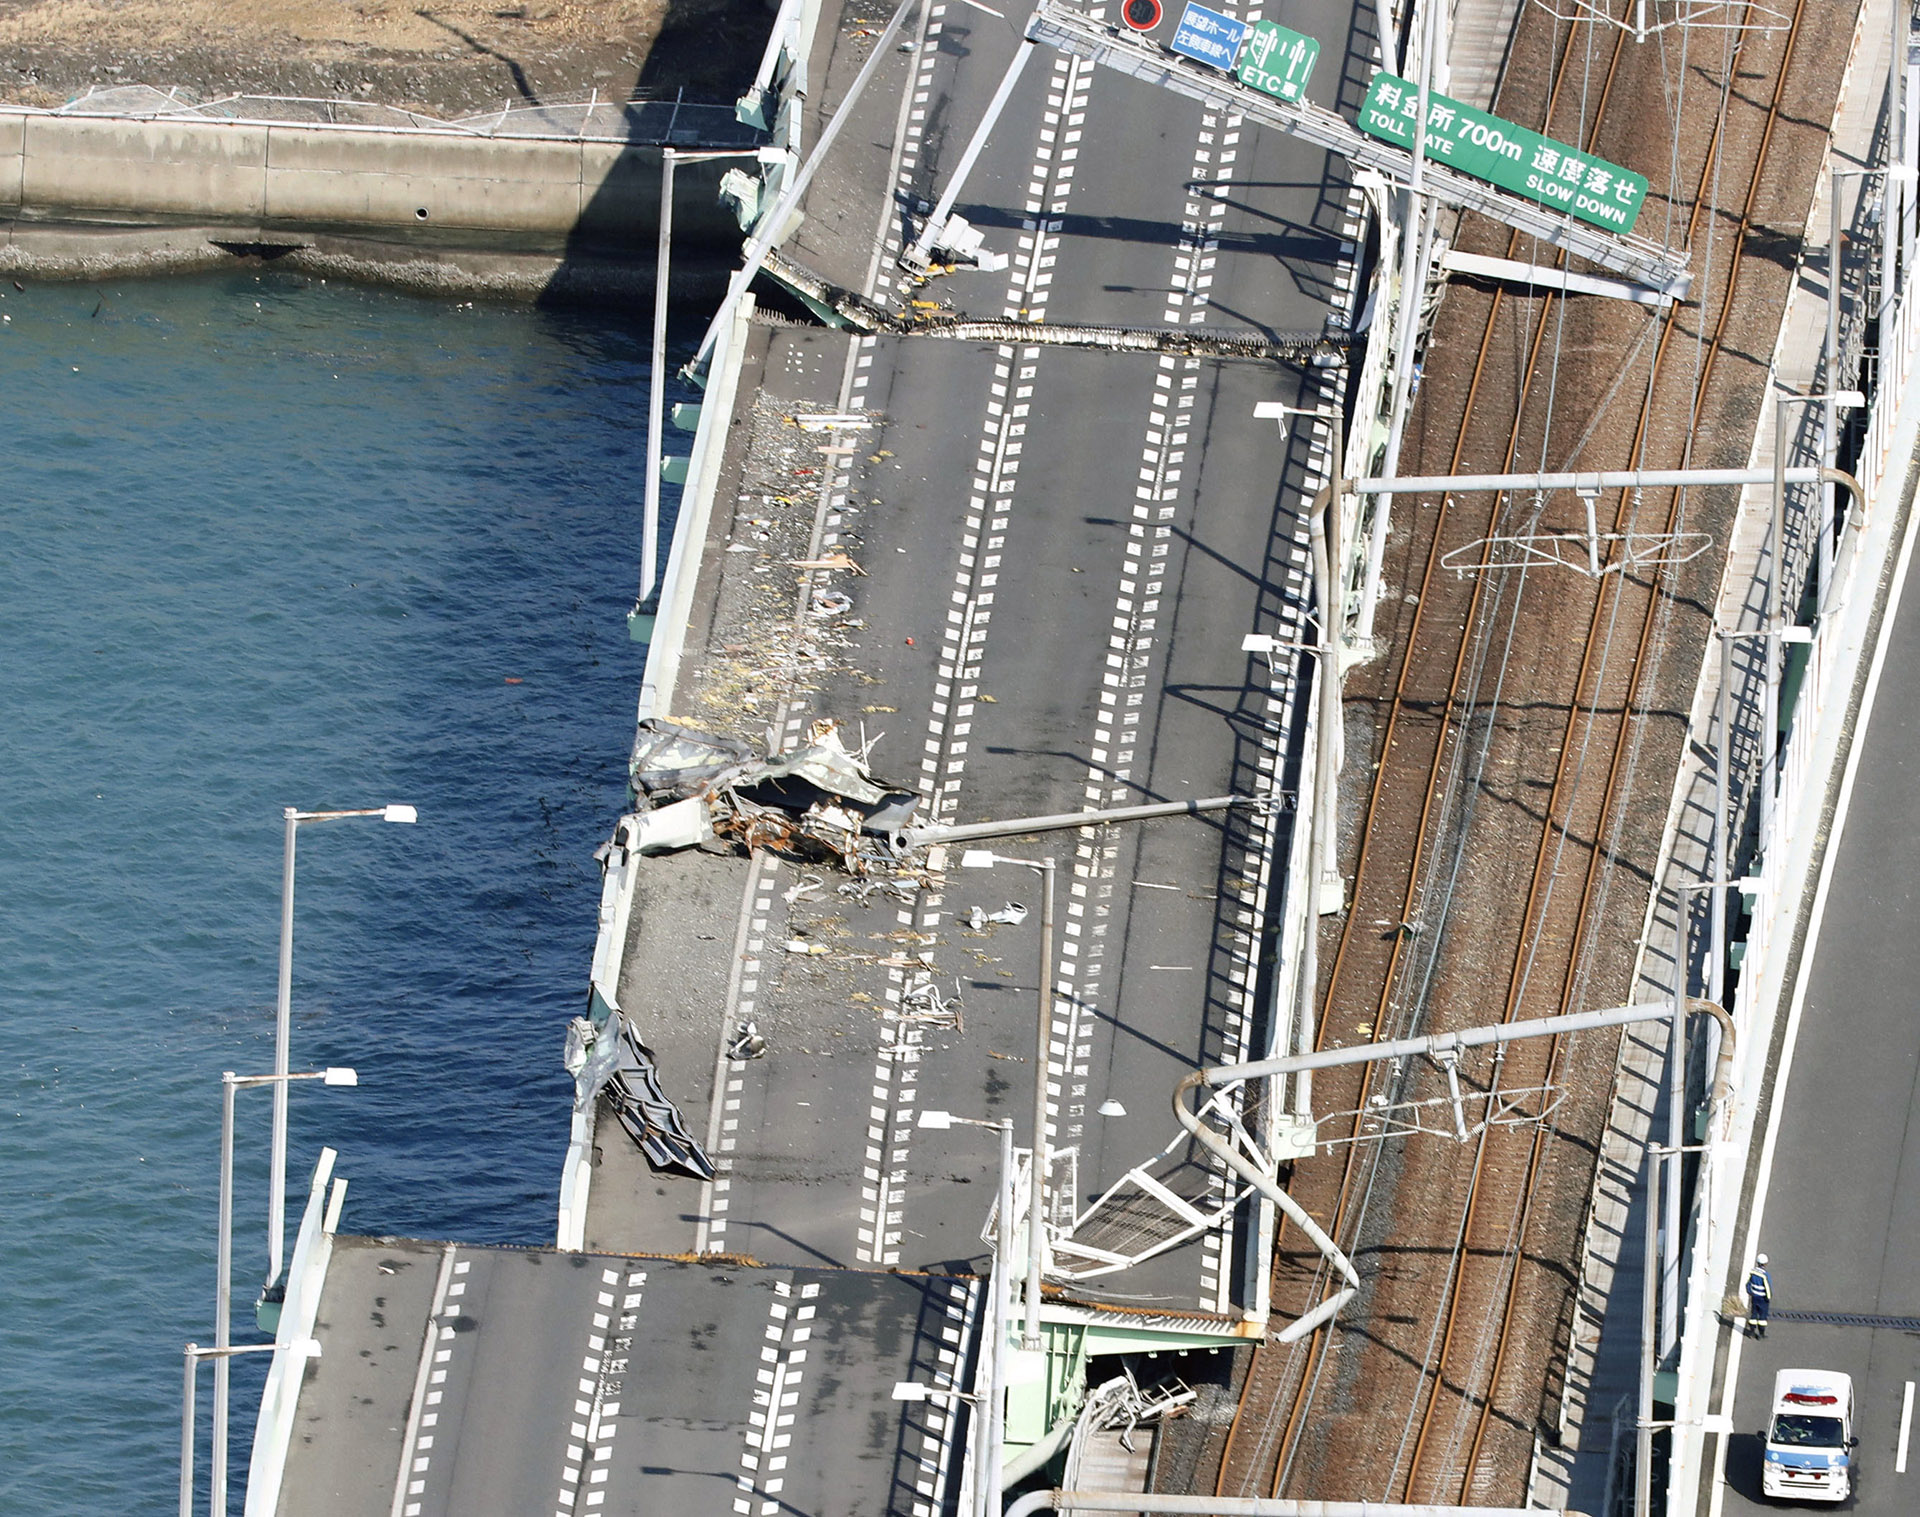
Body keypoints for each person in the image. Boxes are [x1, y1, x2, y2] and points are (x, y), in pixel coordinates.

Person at [1746, 1254, 1773, 1338]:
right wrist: (1768, 1297)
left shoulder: (1752, 1272)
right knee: (1762, 1316)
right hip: (1763, 1298)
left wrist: (1750, 1292)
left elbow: (1748, 1283)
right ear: (1765, 1264)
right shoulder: (1765, 1275)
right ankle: (1761, 1334)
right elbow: (1768, 1287)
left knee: (1754, 1314)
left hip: (1754, 1297)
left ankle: (1751, 1331)